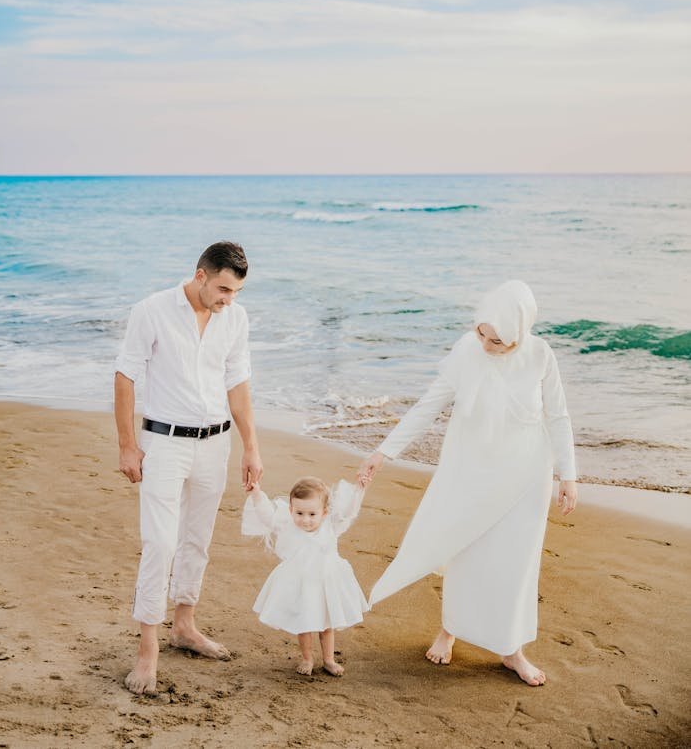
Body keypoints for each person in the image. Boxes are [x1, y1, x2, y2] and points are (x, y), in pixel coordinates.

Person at [358, 280, 577, 687]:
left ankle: (511, 649)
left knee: (516, 561)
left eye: (499, 341)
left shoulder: (541, 355)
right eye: (482, 332)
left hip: (527, 472)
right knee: (465, 548)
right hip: (472, 467)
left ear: (519, 335)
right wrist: (382, 453)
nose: (487, 345)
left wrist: (568, 475)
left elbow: (558, 416)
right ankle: (450, 629)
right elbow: (428, 407)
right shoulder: (466, 352)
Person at [114, 241, 263, 695]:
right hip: (162, 442)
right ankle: (147, 649)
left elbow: (237, 382)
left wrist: (251, 447)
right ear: (200, 275)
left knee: (197, 540)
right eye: (222, 289)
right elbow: (125, 375)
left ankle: (184, 625)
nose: (228, 300)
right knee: (160, 541)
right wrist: (127, 446)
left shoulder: (234, 318)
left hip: (214, 443)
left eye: (235, 292)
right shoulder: (151, 311)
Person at [242, 476, 368, 677]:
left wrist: (359, 491)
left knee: (327, 625)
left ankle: (328, 659)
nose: (305, 519)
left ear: (324, 513)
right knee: (304, 623)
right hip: (300, 584)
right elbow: (267, 516)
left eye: (312, 514)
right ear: (291, 510)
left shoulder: (331, 525)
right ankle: (307, 658)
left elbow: (348, 513)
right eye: (299, 513)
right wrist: (257, 494)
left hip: (326, 583)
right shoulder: (287, 524)